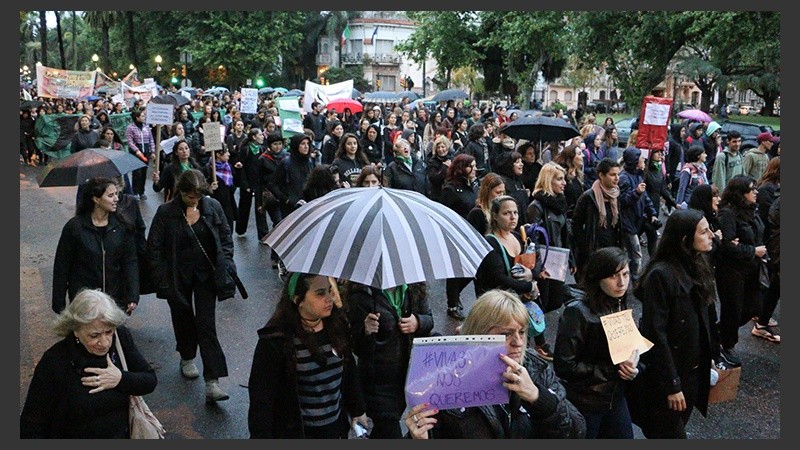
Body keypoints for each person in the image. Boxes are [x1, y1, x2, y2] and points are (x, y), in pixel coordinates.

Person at [404, 289, 586, 439]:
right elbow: (432, 431)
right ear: (478, 334)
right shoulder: (447, 379)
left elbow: (577, 431)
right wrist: (418, 439)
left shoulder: (536, 368)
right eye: (506, 334)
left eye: (522, 332)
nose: (519, 342)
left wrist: (539, 398)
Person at [146, 169, 239, 403]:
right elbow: (154, 248)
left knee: (206, 324)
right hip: (178, 276)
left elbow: (226, 238)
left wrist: (226, 263)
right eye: (189, 196)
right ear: (181, 192)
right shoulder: (166, 212)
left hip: (206, 275)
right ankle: (187, 355)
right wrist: (162, 280)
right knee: (183, 318)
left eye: (198, 196)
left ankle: (212, 381)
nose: (194, 201)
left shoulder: (212, 207)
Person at [20, 289, 157, 438]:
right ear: (76, 330)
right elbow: (32, 422)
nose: (104, 343)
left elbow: (150, 380)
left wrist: (121, 379)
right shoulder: (54, 361)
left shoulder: (120, 338)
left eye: (108, 332)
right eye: (94, 335)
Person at [248, 272, 370, 438]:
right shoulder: (276, 340)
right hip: (296, 433)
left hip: (334, 430)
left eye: (329, 290)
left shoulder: (337, 326)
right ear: (298, 299)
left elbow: (349, 372)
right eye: (320, 293)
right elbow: (262, 399)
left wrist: (358, 410)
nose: (329, 298)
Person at [631, 209, 718, 438]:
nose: (711, 235)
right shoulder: (661, 275)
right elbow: (654, 333)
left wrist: (712, 356)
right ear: (685, 240)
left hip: (691, 372)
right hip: (668, 377)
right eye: (704, 231)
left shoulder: (698, 264)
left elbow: (706, 318)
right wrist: (672, 385)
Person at [553, 247, 640, 438]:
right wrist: (613, 369)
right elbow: (564, 365)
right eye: (613, 276)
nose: (622, 282)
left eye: (625, 274)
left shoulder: (618, 303)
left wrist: (634, 367)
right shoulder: (578, 313)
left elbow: (630, 349)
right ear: (598, 277)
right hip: (586, 403)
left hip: (614, 398)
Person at [345, 281, 433, 438]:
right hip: (377, 386)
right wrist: (365, 331)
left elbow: (429, 319)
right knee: (389, 430)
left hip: (406, 378)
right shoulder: (361, 296)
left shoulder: (414, 288)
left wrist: (418, 322)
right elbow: (354, 347)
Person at [52, 177, 139, 315]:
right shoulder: (74, 227)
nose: (116, 198)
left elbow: (130, 262)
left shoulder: (122, 226)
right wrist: (59, 303)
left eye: (116, 194)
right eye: (111, 195)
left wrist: (133, 295)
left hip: (114, 298)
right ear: (96, 199)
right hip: (84, 301)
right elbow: (62, 266)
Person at [715, 175, 771, 366]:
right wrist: (752, 250)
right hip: (732, 271)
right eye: (751, 189)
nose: (756, 192)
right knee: (733, 309)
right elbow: (727, 246)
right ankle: (726, 345)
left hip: (751, 270)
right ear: (740, 193)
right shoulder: (728, 214)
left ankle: (717, 331)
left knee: (754, 307)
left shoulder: (751, 210)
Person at [440, 154, 480, 320]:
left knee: (473, 268)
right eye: (471, 166)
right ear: (461, 168)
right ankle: (452, 304)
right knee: (456, 271)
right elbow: (443, 213)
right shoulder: (450, 189)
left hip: (472, 233)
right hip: (456, 234)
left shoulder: (473, 186)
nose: (475, 169)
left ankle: (456, 295)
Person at [571, 158, 623, 280]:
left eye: (618, 175)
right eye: (612, 175)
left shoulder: (615, 195)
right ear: (601, 175)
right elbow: (576, 223)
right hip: (594, 250)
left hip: (611, 247)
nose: (616, 178)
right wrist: (584, 244)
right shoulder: (588, 197)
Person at [618, 148, 659, 282]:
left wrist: (651, 212)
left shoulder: (638, 176)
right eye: (641, 158)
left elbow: (645, 197)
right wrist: (636, 192)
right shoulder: (624, 178)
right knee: (636, 254)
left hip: (637, 220)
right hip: (627, 222)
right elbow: (622, 201)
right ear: (635, 161)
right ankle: (635, 280)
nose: (644, 160)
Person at [641, 147, 677, 256]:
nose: (660, 155)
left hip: (654, 207)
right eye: (657, 152)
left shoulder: (658, 169)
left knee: (652, 236)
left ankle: (652, 263)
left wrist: (674, 203)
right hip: (643, 209)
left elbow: (662, 189)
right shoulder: (644, 170)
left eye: (661, 152)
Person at [235, 127, 268, 240]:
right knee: (244, 207)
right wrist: (245, 185)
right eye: (260, 135)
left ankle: (263, 234)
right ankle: (240, 229)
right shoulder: (245, 150)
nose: (262, 136)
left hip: (259, 183)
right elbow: (242, 168)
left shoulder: (262, 149)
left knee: (260, 209)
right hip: (247, 183)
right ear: (254, 137)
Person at [152, 139, 202, 203]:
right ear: (176, 153)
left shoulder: (196, 167)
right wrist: (156, 181)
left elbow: (202, 185)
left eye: (186, 148)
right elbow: (158, 188)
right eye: (181, 149)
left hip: (194, 201)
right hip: (176, 202)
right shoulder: (170, 169)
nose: (184, 151)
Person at [203, 147, 237, 232]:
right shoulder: (207, 169)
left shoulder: (228, 167)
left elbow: (234, 184)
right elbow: (202, 189)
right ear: (218, 154)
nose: (228, 154)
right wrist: (210, 188)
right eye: (226, 152)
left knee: (229, 231)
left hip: (228, 206)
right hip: (214, 207)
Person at [125, 109, 155, 200]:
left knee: (144, 172)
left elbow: (151, 140)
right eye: (142, 116)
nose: (144, 118)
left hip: (145, 151)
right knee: (137, 173)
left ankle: (142, 191)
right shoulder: (131, 128)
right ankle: (135, 192)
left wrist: (153, 151)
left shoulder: (146, 127)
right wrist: (136, 150)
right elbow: (129, 141)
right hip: (136, 153)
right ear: (137, 117)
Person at [466, 172, 506, 237]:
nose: (501, 196)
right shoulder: (477, 213)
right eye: (498, 192)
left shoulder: (501, 211)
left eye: (503, 192)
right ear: (487, 192)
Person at [426, 135, 455, 203]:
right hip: (438, 195)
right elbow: (434, 179)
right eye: (438, 147)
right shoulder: (432, 161)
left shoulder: (453, 159)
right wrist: (444, 167)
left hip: (451, 194)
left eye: (443, 147)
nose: (441, 150)